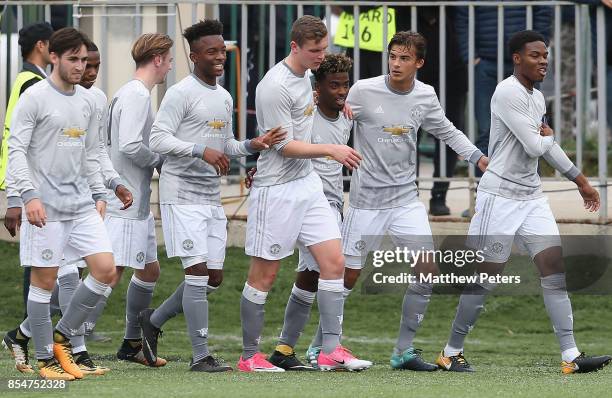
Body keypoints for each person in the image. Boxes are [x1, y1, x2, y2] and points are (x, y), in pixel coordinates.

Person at [435, 30, 611, 374]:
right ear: (517, 58)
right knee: (485, 278)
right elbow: (536, 145)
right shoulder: (507, 92)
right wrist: (551, 137)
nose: (543, 60)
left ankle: (570, 356)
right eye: (535, 55)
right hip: (498, 196)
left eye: (545, 55)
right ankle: (450, 351)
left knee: (553, 270)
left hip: (531, 197)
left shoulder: (537, 97)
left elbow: (545, 145)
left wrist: (581, 181)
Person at [141, 19, 286, 372]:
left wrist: (254, 145)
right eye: (212, 51)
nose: (220, 57)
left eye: (222, 50)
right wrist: (199, 150)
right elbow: (157, 140)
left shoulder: (223, 96)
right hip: (182, 195)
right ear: (194, 57)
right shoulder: (180, 93)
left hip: (210, 197)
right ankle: (201, 355)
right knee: (197, 272)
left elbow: (227, 146)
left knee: (214, 278)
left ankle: (153, 322)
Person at [341, 31, 487, 371]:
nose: (396, 63)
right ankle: (323, 346)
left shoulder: (425, 95)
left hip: (406, 200)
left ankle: (403, 352)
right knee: (345, 276)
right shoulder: (362, 90)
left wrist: (478, 157)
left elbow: (447, 130)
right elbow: (334, 122)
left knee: (426, 269)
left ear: (418, 63)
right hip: (366, 202)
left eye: (404, 58)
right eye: (392, 56)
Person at [239, 15, 366, 372]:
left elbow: (310, 107)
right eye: (314, 50)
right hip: (276, 190)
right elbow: (283, 147)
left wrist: (341, 106)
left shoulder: (307, 76)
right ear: (295, 47)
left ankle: (330, 350)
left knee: (334, 264)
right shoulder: (273, 86)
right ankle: (249, 357)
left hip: (307, 186)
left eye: (324, 48)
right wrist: (331, 149)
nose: (320, 56)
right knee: (263, 277)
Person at [2, 40, 133, 377]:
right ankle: (46, 359)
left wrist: (105, 188)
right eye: (73, 59)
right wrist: (27, 196)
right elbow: (15, 149)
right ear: (54, 57)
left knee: (106, 270)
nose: (80, 66)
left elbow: (91, 153)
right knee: (44, 283)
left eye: (85, 60)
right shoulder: (34, 97)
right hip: (45, 208)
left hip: (81, 206)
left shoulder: (90, 101)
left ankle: (63, 336)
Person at [104, 33, 173, 368]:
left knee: (149, 270)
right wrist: (160, 160)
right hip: (125, 204)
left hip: (135, 202)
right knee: (107, 275)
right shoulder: (136, 95)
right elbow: (131, 145)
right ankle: (56, 337)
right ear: (157, 58)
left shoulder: (129, 92)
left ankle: (131, 343)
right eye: (170, 59)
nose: (171, 65)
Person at [1, 22, 54, 321]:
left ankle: (36, 322)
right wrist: (14, 196)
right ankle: (31, 324)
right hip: (31, 184)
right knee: (37, 257)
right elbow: (17, 140)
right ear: (42, 46)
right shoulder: (31, 82)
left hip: (30, 182)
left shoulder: (32, 78)